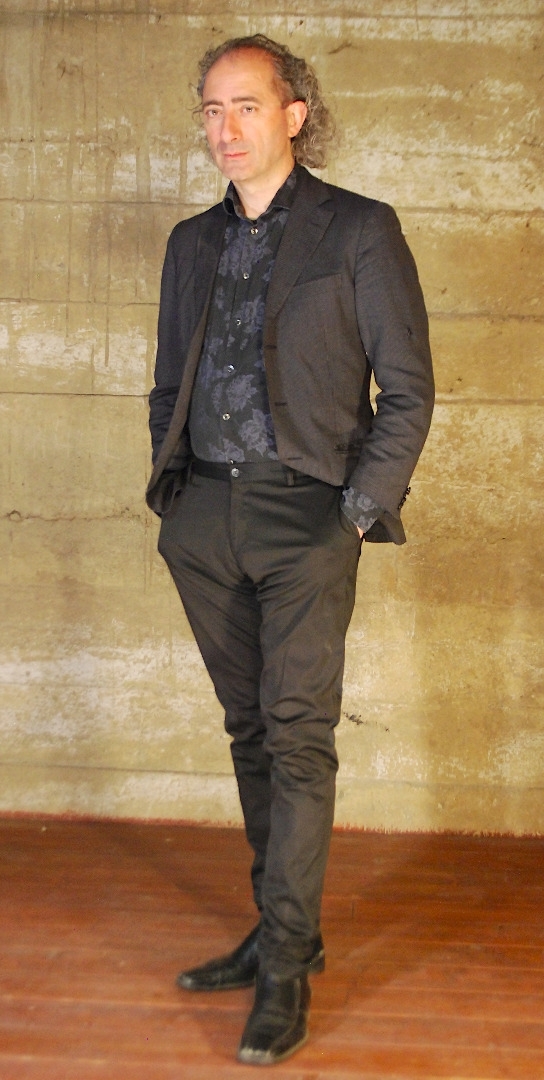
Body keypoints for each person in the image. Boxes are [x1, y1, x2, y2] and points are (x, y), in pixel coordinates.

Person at [146, 33, 434, 1066]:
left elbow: (408, 390)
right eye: (210, 109)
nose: (224, 128)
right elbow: (167, 382)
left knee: (298, 737)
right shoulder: (191, 242)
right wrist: (173, 495)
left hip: (307, 519)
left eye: (246, 106)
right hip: (204, 522)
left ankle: (284, 968)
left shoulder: (358, 229)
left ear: (294, 115)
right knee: (250, 732)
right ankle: (277, 929)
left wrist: (351, 514)